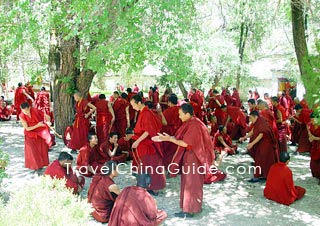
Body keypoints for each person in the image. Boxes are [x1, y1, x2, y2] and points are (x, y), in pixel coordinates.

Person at [157, 103, 216, 218]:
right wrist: (167, 138)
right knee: (191, 182)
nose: (179, 117)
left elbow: (185, 143)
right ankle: (193, 207)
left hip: (194, 157)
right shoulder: (192, 122)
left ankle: (189, 210)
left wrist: (169, 139)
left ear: (188, 114)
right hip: (191, 156)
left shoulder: (194, 125)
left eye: (180, 115)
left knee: (191, 183)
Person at [130, 95, 166, 195]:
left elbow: (147, 131)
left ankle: (153, 187)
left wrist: (137, 141)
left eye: (133, 105)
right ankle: (146, 185)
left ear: (139, 103)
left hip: (146, 144)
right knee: (145, 165)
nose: (133, 107)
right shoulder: (142, 112)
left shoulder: (146, 113)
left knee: (149, 165)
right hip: (143, 143)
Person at [239, 111, 279, 182]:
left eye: (251, 118)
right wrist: (244, 137)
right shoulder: (258, 122)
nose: (250, 120)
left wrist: (252, 144)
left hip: (266, 145)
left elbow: (261, 134)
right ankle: (264, 175)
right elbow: (253, 131)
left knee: (261, 160)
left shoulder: (262, 123)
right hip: (261, 144)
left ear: (255, 117)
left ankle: (258, 176)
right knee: (261, 160)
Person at [19, 102, 53, 170]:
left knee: (41, 149)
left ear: (29, 108)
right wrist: (37, 125)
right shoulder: (21, 116)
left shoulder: (35, 110)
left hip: (40, 131)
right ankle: (35, 166)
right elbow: (27, 128)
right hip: (30, 133)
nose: (26, 113)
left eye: (27, 110)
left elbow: (47, 117)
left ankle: (42, 164)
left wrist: (49, 122)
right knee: (32, 150)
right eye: (24, 111)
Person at [157, 94, 182, 169]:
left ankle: (169, 166)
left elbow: (163, 123)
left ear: (169, 102)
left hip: (169, 133)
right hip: (180, 132)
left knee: (169, 151)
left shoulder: (167, 111)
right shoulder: (181, 110)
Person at [307, 113, 320, 184]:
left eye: (313, 120)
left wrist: (314, 138)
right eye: (311, 120)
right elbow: (309, 131)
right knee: (313, 163)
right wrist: (310, 136)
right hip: (314, 145)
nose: (312, 122)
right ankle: (316, 175)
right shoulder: (310, 124)